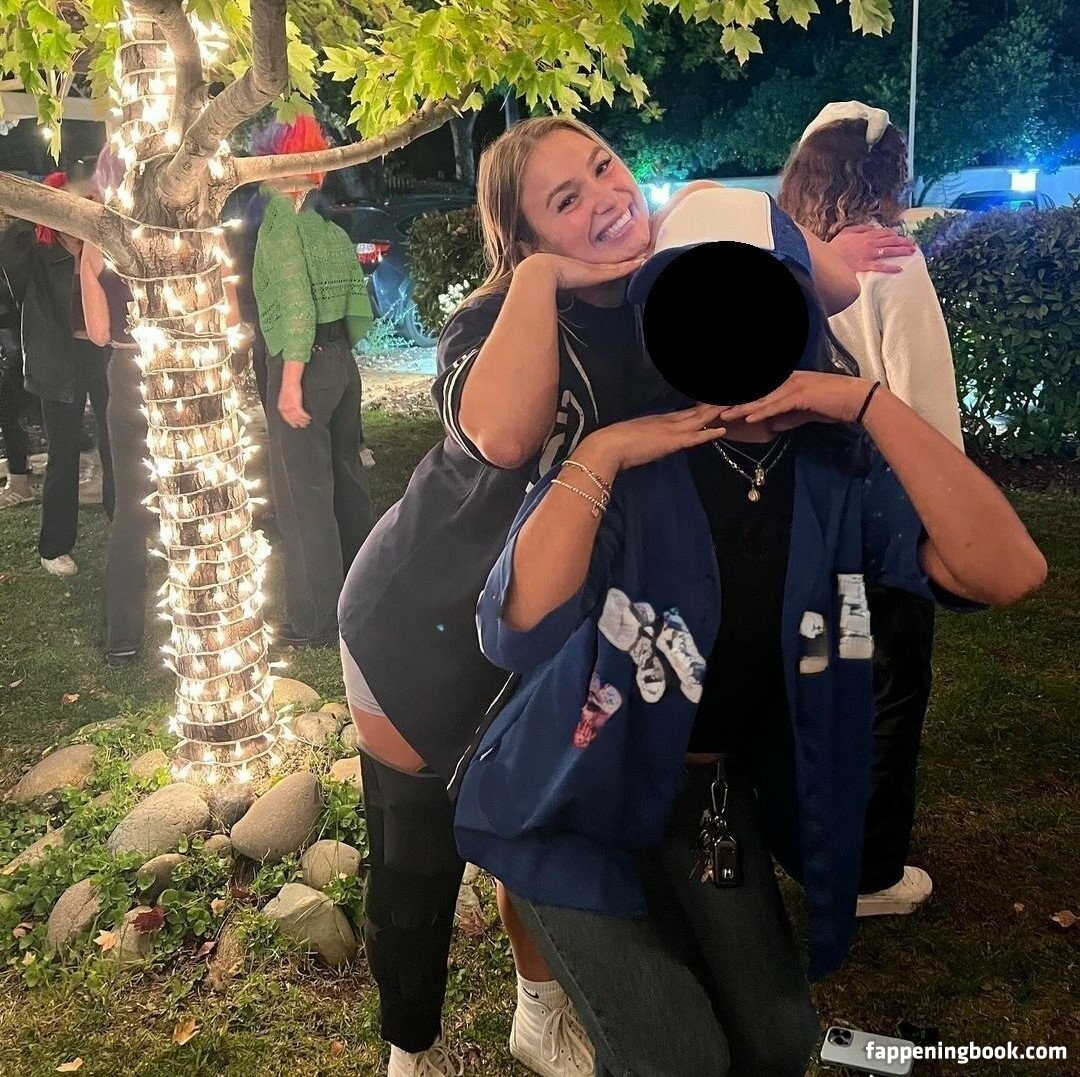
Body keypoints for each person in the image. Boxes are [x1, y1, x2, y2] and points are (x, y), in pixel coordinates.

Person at [337, 115, 905, 1077]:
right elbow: (506, 437)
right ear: (524, 238)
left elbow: (828, 289)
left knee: (537, 805)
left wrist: (737, 212)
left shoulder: (664, 290)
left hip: (551, 624)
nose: (606, 197)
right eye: (566, 199)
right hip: (423, 621)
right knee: (418, 851)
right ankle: (410, 1045)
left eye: (605, 168)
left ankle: (537, 1005)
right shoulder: (495, 319)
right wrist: (538, 280)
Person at [454, 186, 1047, 1077]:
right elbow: (517, 624)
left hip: (709, 797)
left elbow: (1007, 570)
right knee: (680, 1057)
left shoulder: (837, 477)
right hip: (571, 797)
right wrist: (601, 454)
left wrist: (871, 404)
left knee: (777, 1045)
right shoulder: (630, 457)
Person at [778, 101, 965, 917]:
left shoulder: (782, 260)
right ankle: (870, 871)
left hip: (799, 515)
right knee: (889, 684)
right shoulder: (893, 259)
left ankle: (806, 844)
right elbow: (925, 408)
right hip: (881, 519)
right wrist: (948, 518)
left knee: (819, 679)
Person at [249, 116, 375, 647]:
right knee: (348, 480)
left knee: (304, 494)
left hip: (301, 363)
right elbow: (360, 308)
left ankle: (315, 618)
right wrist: (337, 357)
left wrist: (290, 380)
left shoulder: (280, 227)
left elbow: (296, 305)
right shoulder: (331, 231)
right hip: (342, 362)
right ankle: (364, 595)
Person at [0, 173, 113, 576]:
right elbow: (9, 244)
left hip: (103, 354)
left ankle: (123, 524)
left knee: (115, 443)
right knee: (62, 453)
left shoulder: (101, 244)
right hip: (56, 358)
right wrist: (39, 205)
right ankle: (54, 546)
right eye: (63, 201)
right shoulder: (34, 250)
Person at [77, 149, 154, 665]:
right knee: (198, 494)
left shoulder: (97, 241)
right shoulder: (175, 231)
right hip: (185, 375)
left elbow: (100, 333)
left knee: (130, 508)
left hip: (127, 372)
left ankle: (123, 637)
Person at [0, 222, 31, 508]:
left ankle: (19, 480)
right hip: (20, 341)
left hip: (21, 343)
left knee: (10, 409)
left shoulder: (15, 239)